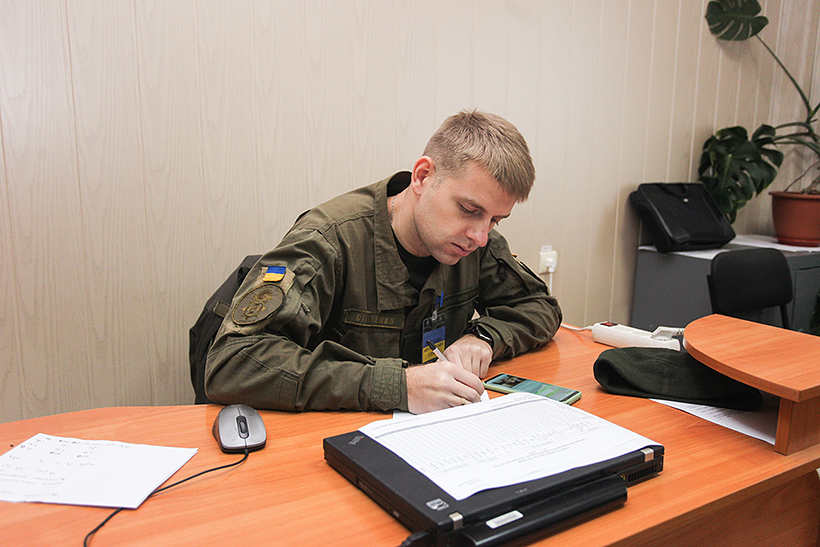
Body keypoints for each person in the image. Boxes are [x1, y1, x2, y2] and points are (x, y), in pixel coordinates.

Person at [204, 110, 562, 413]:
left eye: (495, 220)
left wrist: (483, 338)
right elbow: (232, 362)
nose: (480, 236)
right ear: (423, 177)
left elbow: (539, 306)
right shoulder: (328, 240)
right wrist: (398, 386)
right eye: (469, 209)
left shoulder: (473, 243)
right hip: (327, 440)